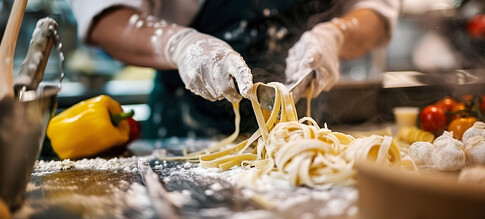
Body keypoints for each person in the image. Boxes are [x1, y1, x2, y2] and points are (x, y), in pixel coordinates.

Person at [70, 0, 399, 138]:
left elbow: (376, 10)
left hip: (306, 131)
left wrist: (336, 36)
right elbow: (104, 16)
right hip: (184, 133)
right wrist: (180, 45)